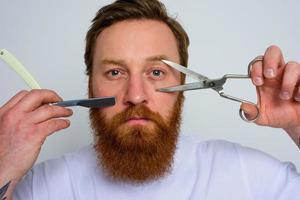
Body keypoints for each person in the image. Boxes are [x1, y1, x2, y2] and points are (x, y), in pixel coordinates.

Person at [1, 0, 300, 199]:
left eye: (156, 72)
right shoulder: (44, 188)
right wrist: (3, 165)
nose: (135, 95)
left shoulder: (253, 178)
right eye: (115, 72)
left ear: (183, 82)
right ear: (90, 85)